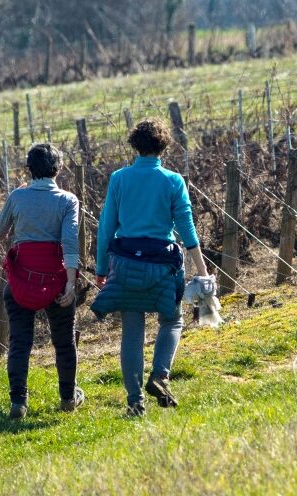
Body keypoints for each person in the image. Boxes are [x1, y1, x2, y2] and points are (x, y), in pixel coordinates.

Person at [90, 119, 212, 417]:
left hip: (126, 264)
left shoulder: (119, 178)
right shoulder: (173, 181)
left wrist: (101, 269)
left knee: (132, 331)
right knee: (171, 321)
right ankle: (160, 375)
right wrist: (203, 272)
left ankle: (135, 402)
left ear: (134, 145)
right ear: (164, 146)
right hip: (163, 267)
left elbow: (107, 227)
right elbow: (187, 229)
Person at [0, 142, 84, 420]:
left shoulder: (17, 197)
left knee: (20, 343)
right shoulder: (68, 201)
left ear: (29, 169)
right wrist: (70, 283)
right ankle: (68, 397)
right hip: (55, 280)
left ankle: (18, 402)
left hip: (21, 282)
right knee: (64, 341)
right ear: (59, 168)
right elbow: (69, 242)